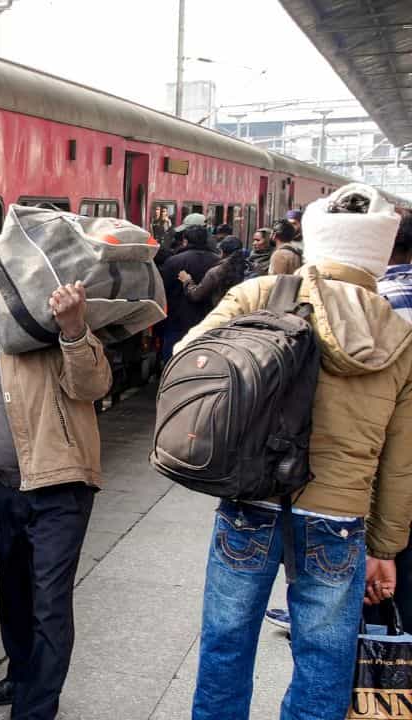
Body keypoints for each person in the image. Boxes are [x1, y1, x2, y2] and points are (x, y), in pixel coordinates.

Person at [182, 183, 412, 720]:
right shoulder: (400, 335)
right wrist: (386, 547)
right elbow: (401, 460)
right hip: (338, 513)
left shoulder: (260, 294)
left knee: (226, 643)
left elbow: (190, 359)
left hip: (252, 497)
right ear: (376, 254)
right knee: (325, 656)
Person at [0, 263, 110, 720]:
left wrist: (72, 328)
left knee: (49, 603)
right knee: (13, 593)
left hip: (57, 488)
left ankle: (35, 709)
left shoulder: (37, 333)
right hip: (2, 490)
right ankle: (21, 674)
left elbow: (93, 385)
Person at [158, 224, 220, 363]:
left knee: (173, 356)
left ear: (185, 241)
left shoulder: (174, 261)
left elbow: (164, 289)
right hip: (207, 318)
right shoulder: (218, 261)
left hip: (177, 319)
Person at [179, 236, 247, 310]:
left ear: (222, 252)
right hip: (243, 312)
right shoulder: (248, 268)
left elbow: (196, 295)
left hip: (222, 313)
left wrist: (187, 281)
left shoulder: (217, 272)